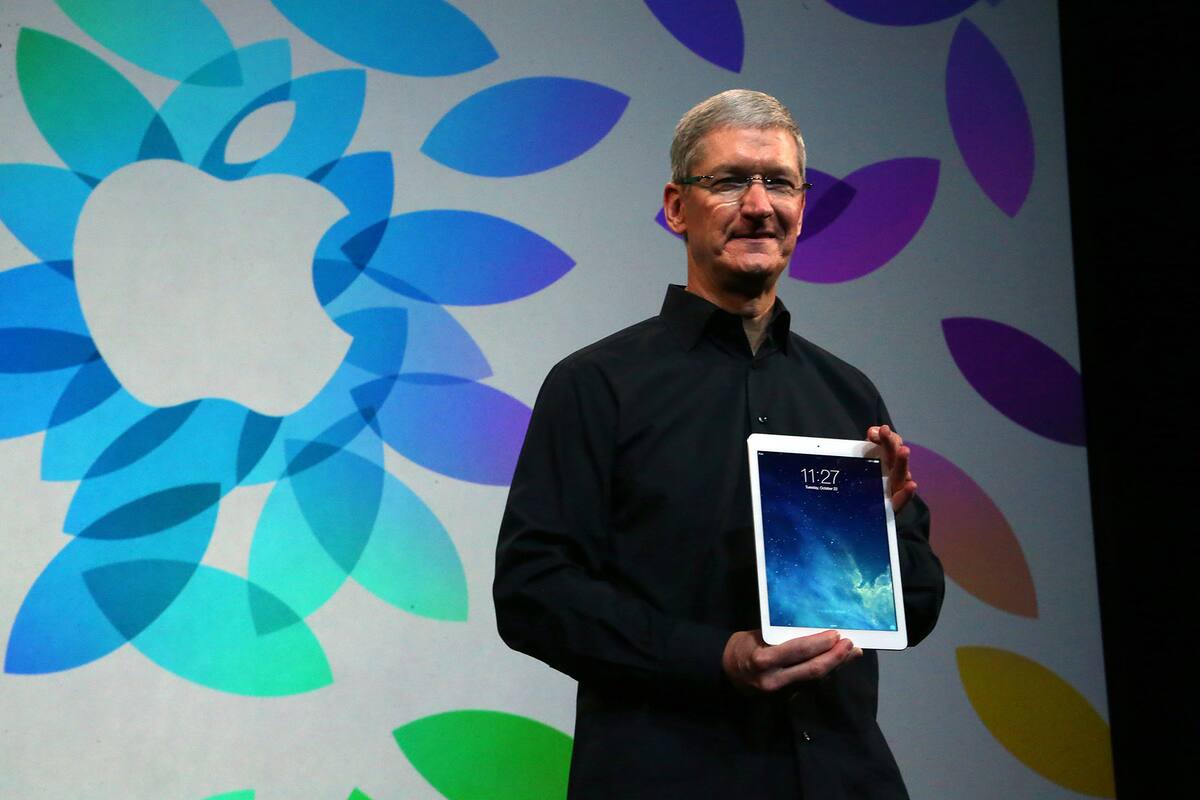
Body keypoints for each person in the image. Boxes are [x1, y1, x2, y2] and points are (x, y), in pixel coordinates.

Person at [494, 89, 944, 799]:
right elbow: (532, 594)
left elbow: (917, 605)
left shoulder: (849, 395)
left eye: (781, 184)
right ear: (677, 207)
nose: (759, 205)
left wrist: (878, 539)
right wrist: (718, 657)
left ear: (803, 207)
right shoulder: (597, 385)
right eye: (731, 181)